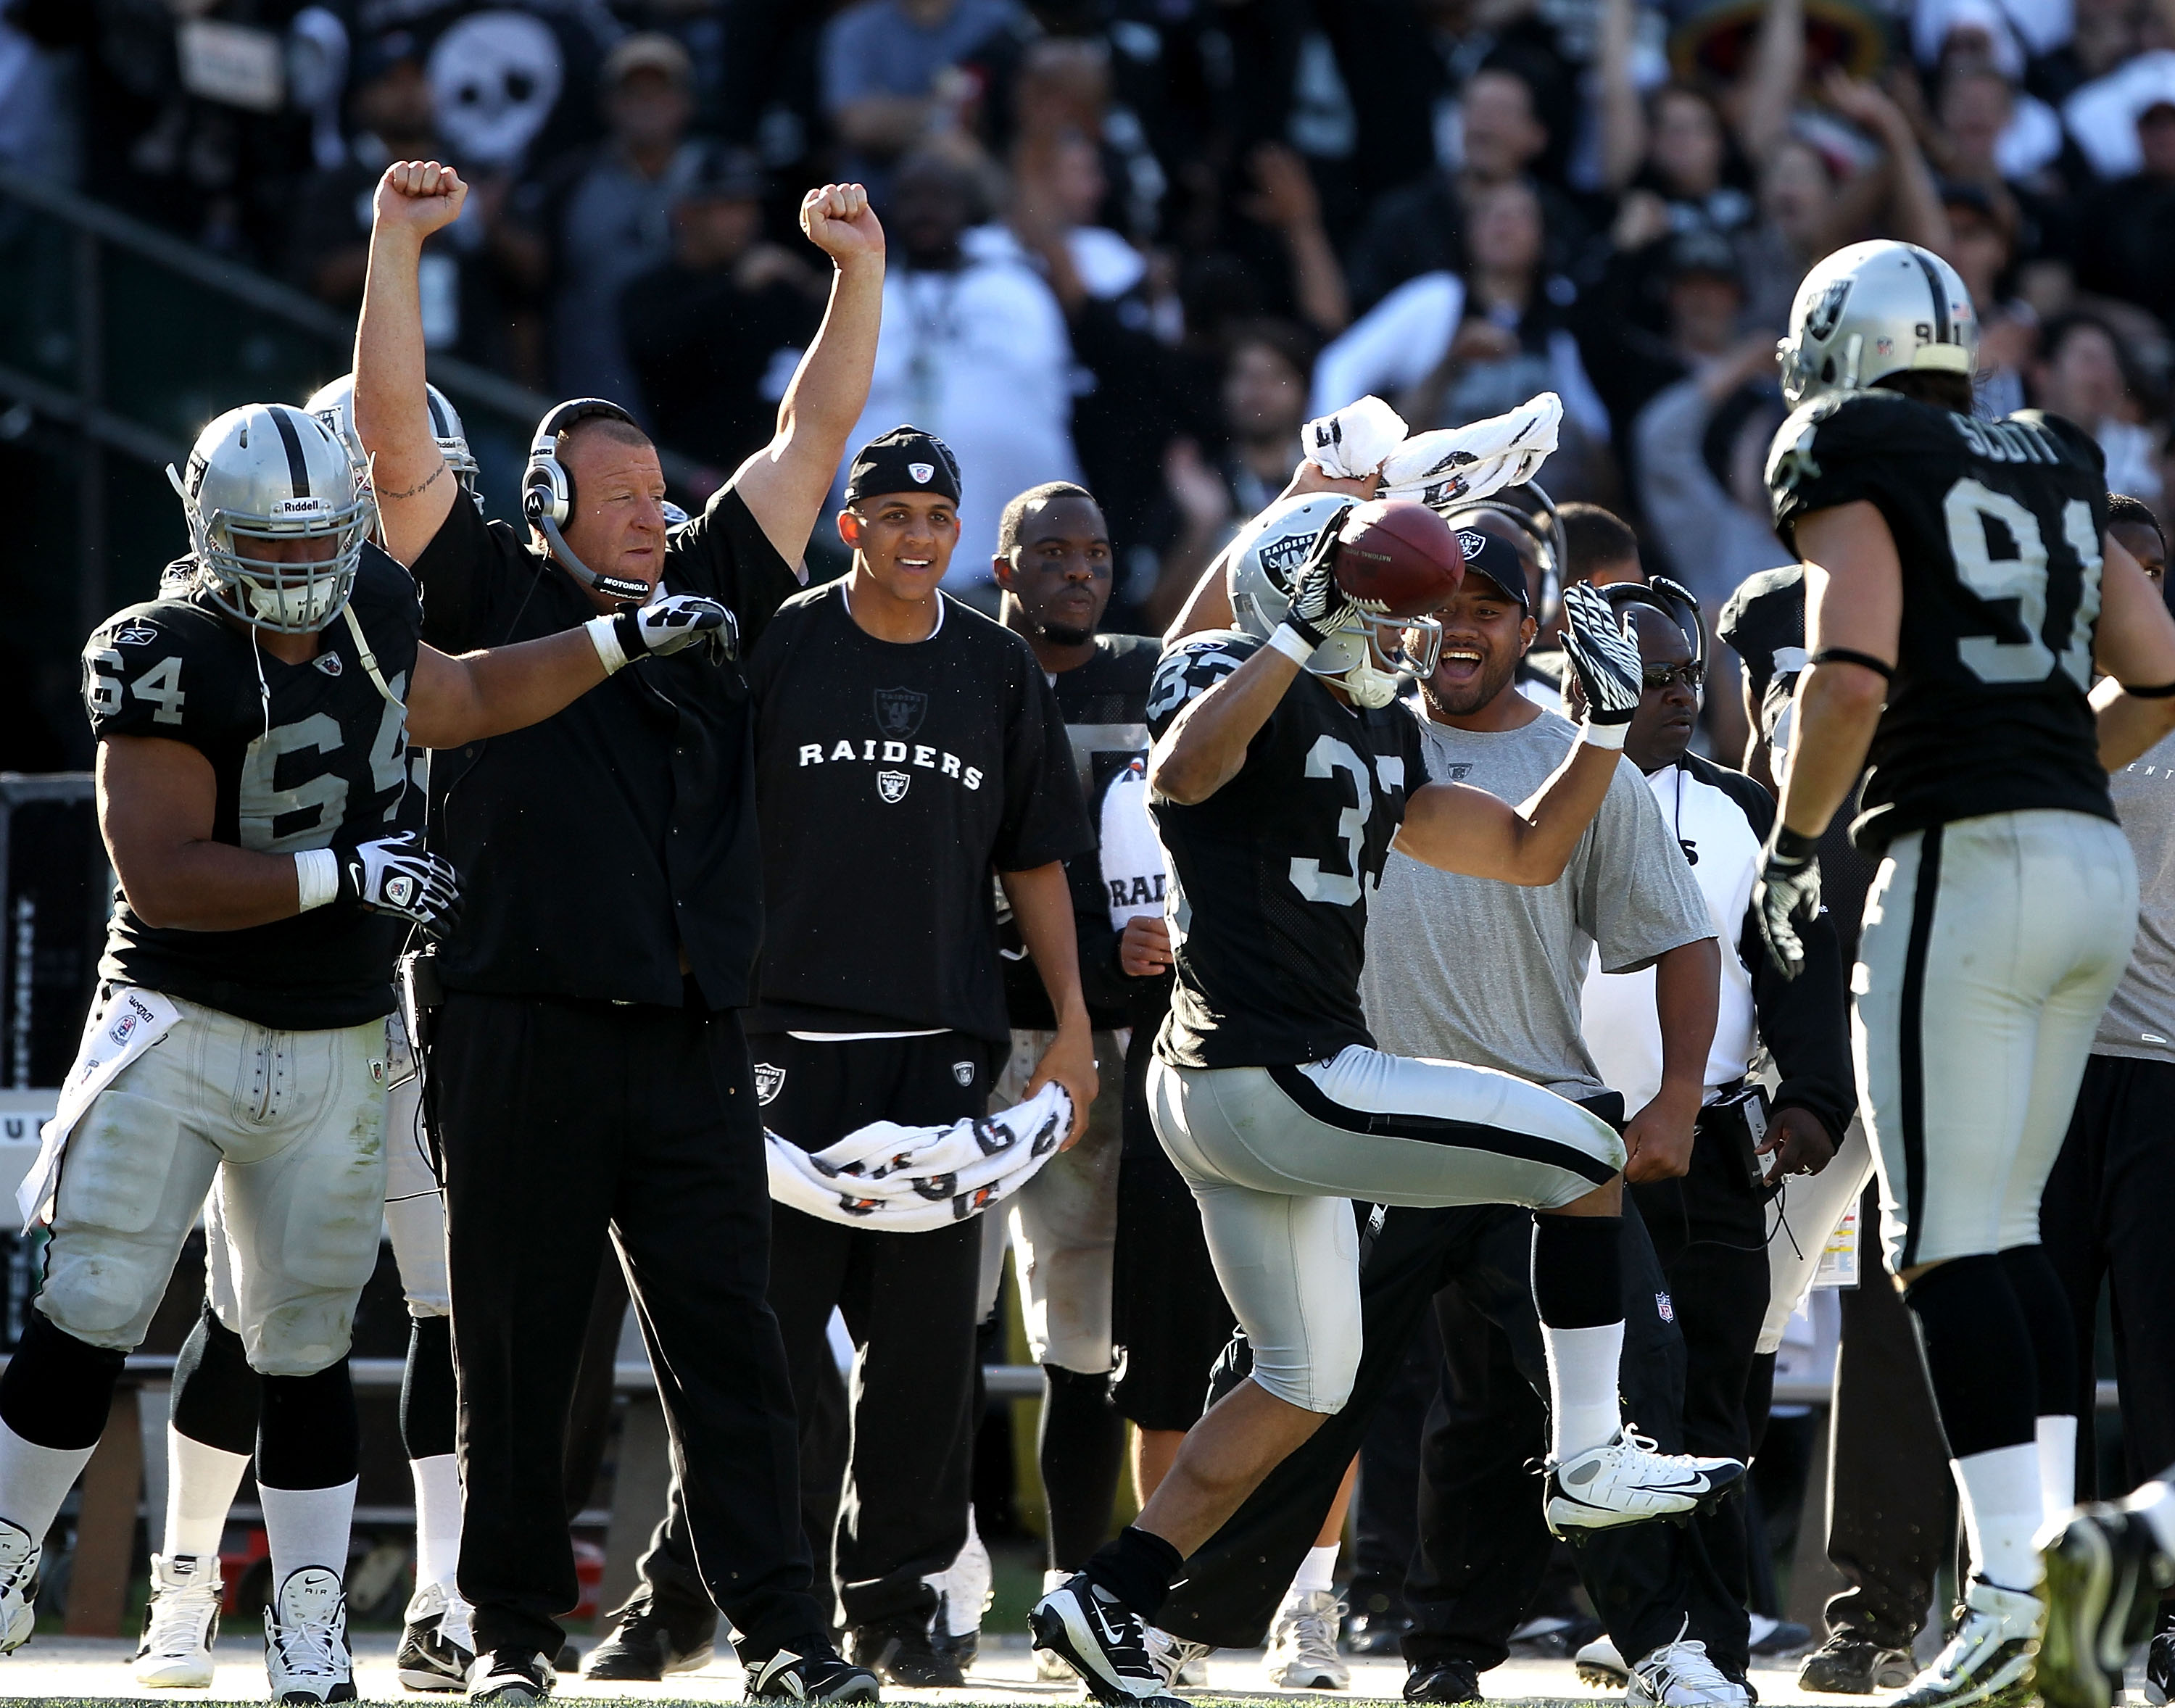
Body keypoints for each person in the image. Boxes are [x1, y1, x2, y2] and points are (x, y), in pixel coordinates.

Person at [0, 398, 726, 1701]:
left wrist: (619, 639)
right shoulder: (159, 645)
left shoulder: (380, 602)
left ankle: (311, 1623)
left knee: (307, 1332)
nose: (292, 576)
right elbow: (163, 877)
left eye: (315, 545)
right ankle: (3, 1557)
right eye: (264, 551)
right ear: (203, 526)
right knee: (100, 1293)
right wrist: (345, 870)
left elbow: (467, 695)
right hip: (181, 1012)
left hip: (333, 1023)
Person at [1030, 484, 1746, 1707]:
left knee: (1300, 1381)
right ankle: (1585, 1459)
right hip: (1284, 1076)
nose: (1400, 626)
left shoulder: (1384, 731)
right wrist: (1297, 636)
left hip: (1248, 1102)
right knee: (1581, 1151)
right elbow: (1186, 769)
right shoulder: (1233, 678)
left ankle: (1110, 1598)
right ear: (1305, 599)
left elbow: (1524, 846)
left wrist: (1609, 729)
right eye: (1371, 604)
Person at [350, 157, 887, 1704]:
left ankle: (786, 1632)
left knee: (737, 1350)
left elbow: (812, 438)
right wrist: (398, 241)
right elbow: (395, 435)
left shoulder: (719, 569)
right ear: (549, 506)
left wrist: (856, 273)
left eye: (664, 492)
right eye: (628, 497)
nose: (659, 517)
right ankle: (513, 1635)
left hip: (693, 1027)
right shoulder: (487, 582)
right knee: (518, 1356)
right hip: (517, 1020)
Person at [1754, 238, 2175, 1708]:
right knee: (2004, 1235)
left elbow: (1850, 670)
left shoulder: (1843, 442)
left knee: (1942, 1235)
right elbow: (2159, 664)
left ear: (1834, 348)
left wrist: (1797, 845)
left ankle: (2019, 1588)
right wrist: (2055, 766)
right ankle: (2061, 1583)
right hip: (2085, 867)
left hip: (1964, 859)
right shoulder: (2060, 450)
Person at [128, 378, 489, 1697]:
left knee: (448, 1293)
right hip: (285, 992)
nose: (405, 514)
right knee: (250, 1308)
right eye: (383, 488)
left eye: (420, 486)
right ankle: (185, 1585)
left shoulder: (434, 608)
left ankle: (445, 1600)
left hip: (425, 991)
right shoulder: (216, 628)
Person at [736, 431, 1097, 1686]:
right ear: (852, 528)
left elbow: (1036, 857)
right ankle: (779, 1616)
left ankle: (896, 1608)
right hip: (781, 1046)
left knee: (928, 1362)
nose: (918, 536)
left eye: (938, 516)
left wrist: (1073, 1024)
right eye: (892, 514)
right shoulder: (781, 640)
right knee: (774, 1354)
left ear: (957, 532)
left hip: (943, 1051)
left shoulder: (997, 667)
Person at [1577, 580, 1855, 1683]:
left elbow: (1801, 964)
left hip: (1712, 1149)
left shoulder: (1747, 811)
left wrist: (1812, 1103)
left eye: (1690, 675)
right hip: (1556, 1145)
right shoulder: (1535, 795)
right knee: (1531, 1399)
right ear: (1590, 680)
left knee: (1710, 1409)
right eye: (1649, 681)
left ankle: (1714, 1651)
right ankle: (1458, 1646)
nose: (1678, 697)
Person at [1715, 560, 1949, 1697]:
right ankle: (1684, 1595)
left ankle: (1881, 1614)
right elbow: (1759, 770)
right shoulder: (1766, 609)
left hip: (1927, 994)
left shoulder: (1951, 597)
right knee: (1736, 1310)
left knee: (1917, 1316)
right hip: (1794, 1019)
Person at [982, 482, 1169, 1658]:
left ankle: (1064, 1587)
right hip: (956, 1029)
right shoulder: (955, 664)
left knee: (1082, 1337)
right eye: (1051, 549)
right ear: (1003, 565)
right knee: (916, 1317)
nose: (1078, 569)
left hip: (1097, 1038)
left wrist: (1172, 931)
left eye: (1095, 550)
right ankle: (906, 1576)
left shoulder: (1151, 674)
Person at [2037, 497, 2175, 1704]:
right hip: (2045, 1066)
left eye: (2149, 570)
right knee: (2042, 1351)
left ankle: (2165, 1623)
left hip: (2166, 1071)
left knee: (2164, 1355)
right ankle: (2046, 1612)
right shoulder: (2032, 719)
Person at [839, 149, 1081, 594]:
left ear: (966, 208)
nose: (925, 211)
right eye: (911, 198)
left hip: (1003, 513)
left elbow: (1047, 389)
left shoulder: (1014, 287)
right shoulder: (863, 290)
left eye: (939, 197)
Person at [621, 145, 828, 482]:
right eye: (727, 206)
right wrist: (735, 288)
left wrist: (804, 282)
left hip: (771, 474)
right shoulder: (648, 292)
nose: (743, 220)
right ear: (686, 213)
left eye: (748, 206)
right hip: (680, 474)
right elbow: (657, 347)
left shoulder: (774, 285)